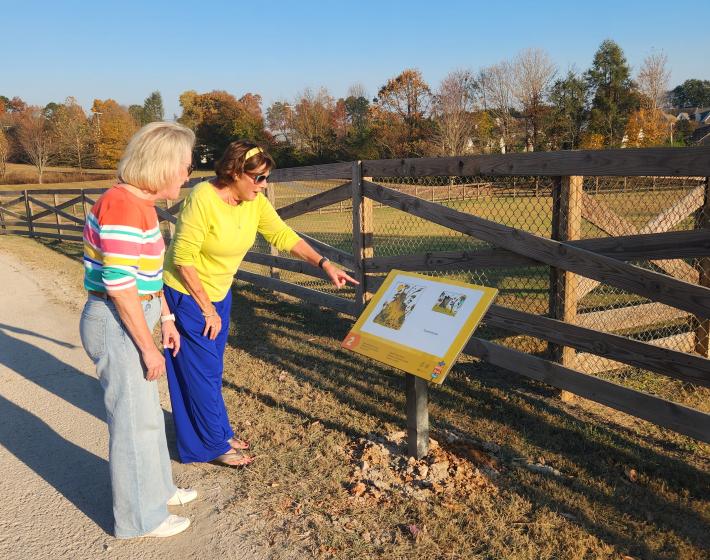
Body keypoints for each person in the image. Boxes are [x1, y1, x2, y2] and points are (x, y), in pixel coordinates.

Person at [162, 140, 357, 467]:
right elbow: (182, 259)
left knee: (210, 370)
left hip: (219, 293)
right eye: (258, 178)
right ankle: (212, 445)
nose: (264, 185)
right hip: (188, 294)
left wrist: (323, 264)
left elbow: (283, 235)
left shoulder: (253, 201)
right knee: (201, 371)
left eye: (266, 177)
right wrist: (206, 307)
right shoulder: (202, 199)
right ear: (235, 173)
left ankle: (216, 432)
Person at [79, 122, 198, 538]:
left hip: (138, 315)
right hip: (118, 321)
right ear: (162, 166)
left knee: (146, 415)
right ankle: (139, 519)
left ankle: (158, 490)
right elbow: (119, 285)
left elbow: (147, 275)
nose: (188, 174)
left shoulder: (139, 203)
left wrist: (165, 317)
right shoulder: (124, 206)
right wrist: (147, 347)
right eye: (185, 165)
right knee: (131, 423)